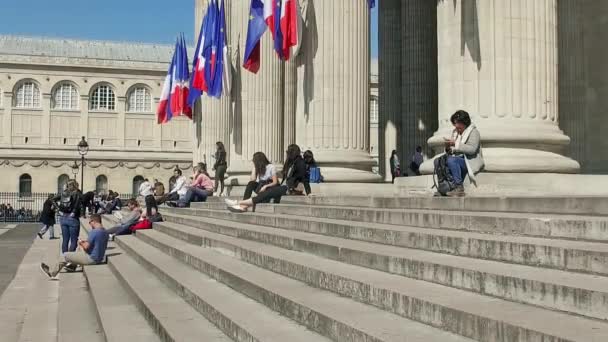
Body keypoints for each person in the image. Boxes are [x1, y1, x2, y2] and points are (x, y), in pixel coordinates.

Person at [40, 214, 108, 280]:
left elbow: (86, 247)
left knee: (65, 255)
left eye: (90, 222)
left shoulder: (94, 232)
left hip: (91, 259)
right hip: (99, 258)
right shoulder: (105, 231)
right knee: (79, 248)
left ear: (94, 221)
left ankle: (52, 273)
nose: (89, 224)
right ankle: (72, 266)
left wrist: (80, 242)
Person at [441, 110, 485, 197]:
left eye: (458, 123)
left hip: (469, 161)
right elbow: (454, 150)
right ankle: (445, 187)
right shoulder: (456, 132)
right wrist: (448, 147)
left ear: (464, 123)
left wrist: (456, 144)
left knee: (452, 161)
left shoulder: (474, 132)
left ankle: (459, 187)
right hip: (458, 159)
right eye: (455, 123)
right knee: (439, 161)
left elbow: (472, 149)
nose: (456, 126)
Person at [55, 180, 82, 254]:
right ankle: (70, 259)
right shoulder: (77, 192)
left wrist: (58, 209)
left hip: (63, 217)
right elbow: (77, 204)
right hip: (72, 218)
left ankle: (65, 257)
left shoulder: (63, 192)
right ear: (75, 185)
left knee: (65, 240)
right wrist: (73, 212)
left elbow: (52, 199)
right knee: (74, 241)